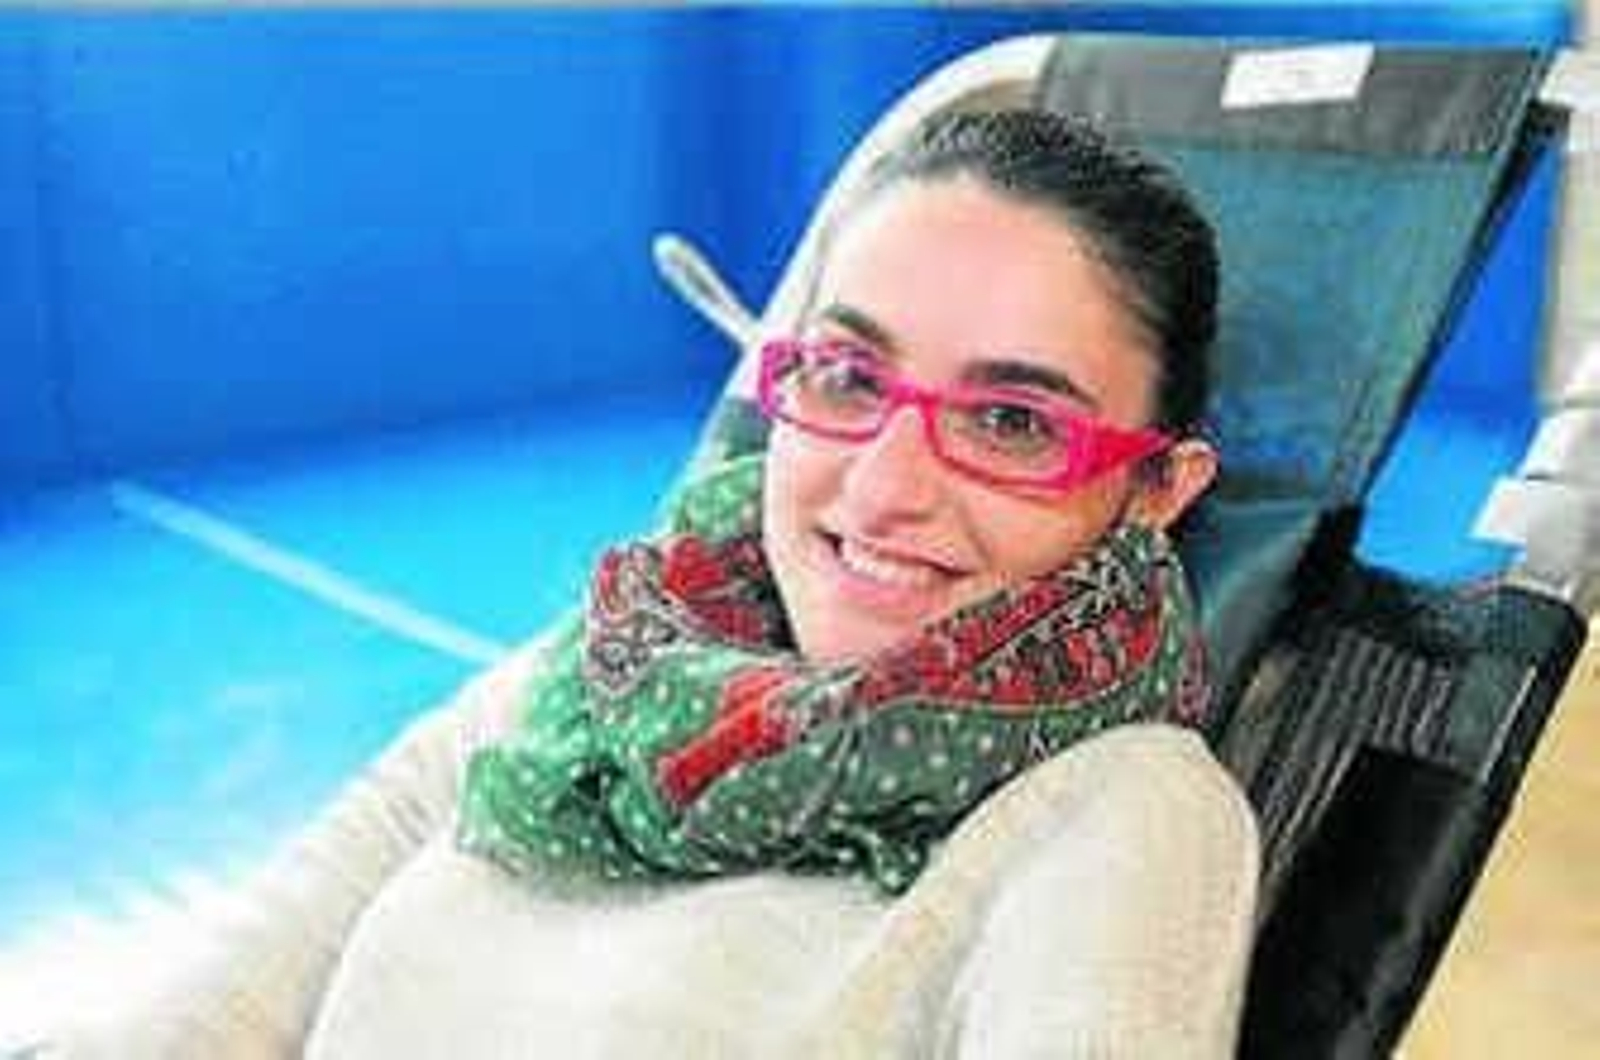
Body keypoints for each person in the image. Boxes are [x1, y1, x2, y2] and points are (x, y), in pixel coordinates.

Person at [48, 109, 1258, 1058]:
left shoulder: (1120, 809)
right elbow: (222, 997)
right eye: (848, 376)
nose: (885, 486)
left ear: (1156, 488)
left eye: (1010, 420)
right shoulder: (608, 669)